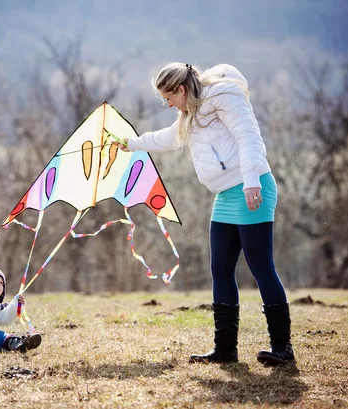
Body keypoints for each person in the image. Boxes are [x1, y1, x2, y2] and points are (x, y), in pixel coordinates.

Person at [114, 62, 294, 366]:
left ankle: (282, 348)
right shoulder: (190, 115)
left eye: (168, 97)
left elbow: (249, 137)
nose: (168, 104)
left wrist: (251, 180)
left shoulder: (224, 97)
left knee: (261, 266)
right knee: (220, 270)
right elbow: (167, 139)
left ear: (182, 89)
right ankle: (225, 350)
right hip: (225, 195)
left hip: (253, 187)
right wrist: (130, 144)